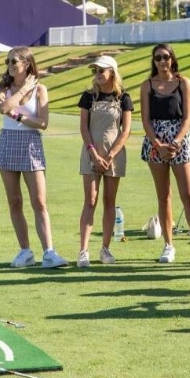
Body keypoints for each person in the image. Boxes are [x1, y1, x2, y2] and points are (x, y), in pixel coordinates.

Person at [0, 47, 67, 269]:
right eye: (8, 61)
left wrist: (18, 116)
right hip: (8, 141)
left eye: (14, 61)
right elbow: (3, 107)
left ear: (26, 63)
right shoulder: (3, 87)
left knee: (39, 202)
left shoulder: (40, 89)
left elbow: (43, 123)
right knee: (14, 201)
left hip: (31, 143)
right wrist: (23, 88)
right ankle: (25, 251)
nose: (10, 64)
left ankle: (49, 252)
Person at [140, 44, 190, 266]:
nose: (162, 62)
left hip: (179, 140)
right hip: (156, 141)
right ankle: (169, 245)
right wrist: (157, 144)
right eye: (158, 58)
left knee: (189, 196)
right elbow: (145, 119)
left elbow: (187, 117)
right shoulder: (147, 85)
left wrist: (176, 141)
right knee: (164, 196)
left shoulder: (183, 83)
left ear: (172, 59)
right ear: (154, 61)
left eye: (166, 57)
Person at [77, 56, 133, 268]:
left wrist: (109, 157)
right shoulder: (88, 96)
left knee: (109, 202)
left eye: (102, 70)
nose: (98, 74)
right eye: (95, 71)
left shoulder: (123, 97)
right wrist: (94, 153)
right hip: (91, 153)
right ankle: (83, 251)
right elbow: (84, 127)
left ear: (112, 72)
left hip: (114, 156)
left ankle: (105, 248)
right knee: (90, 200)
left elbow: (126, 130)